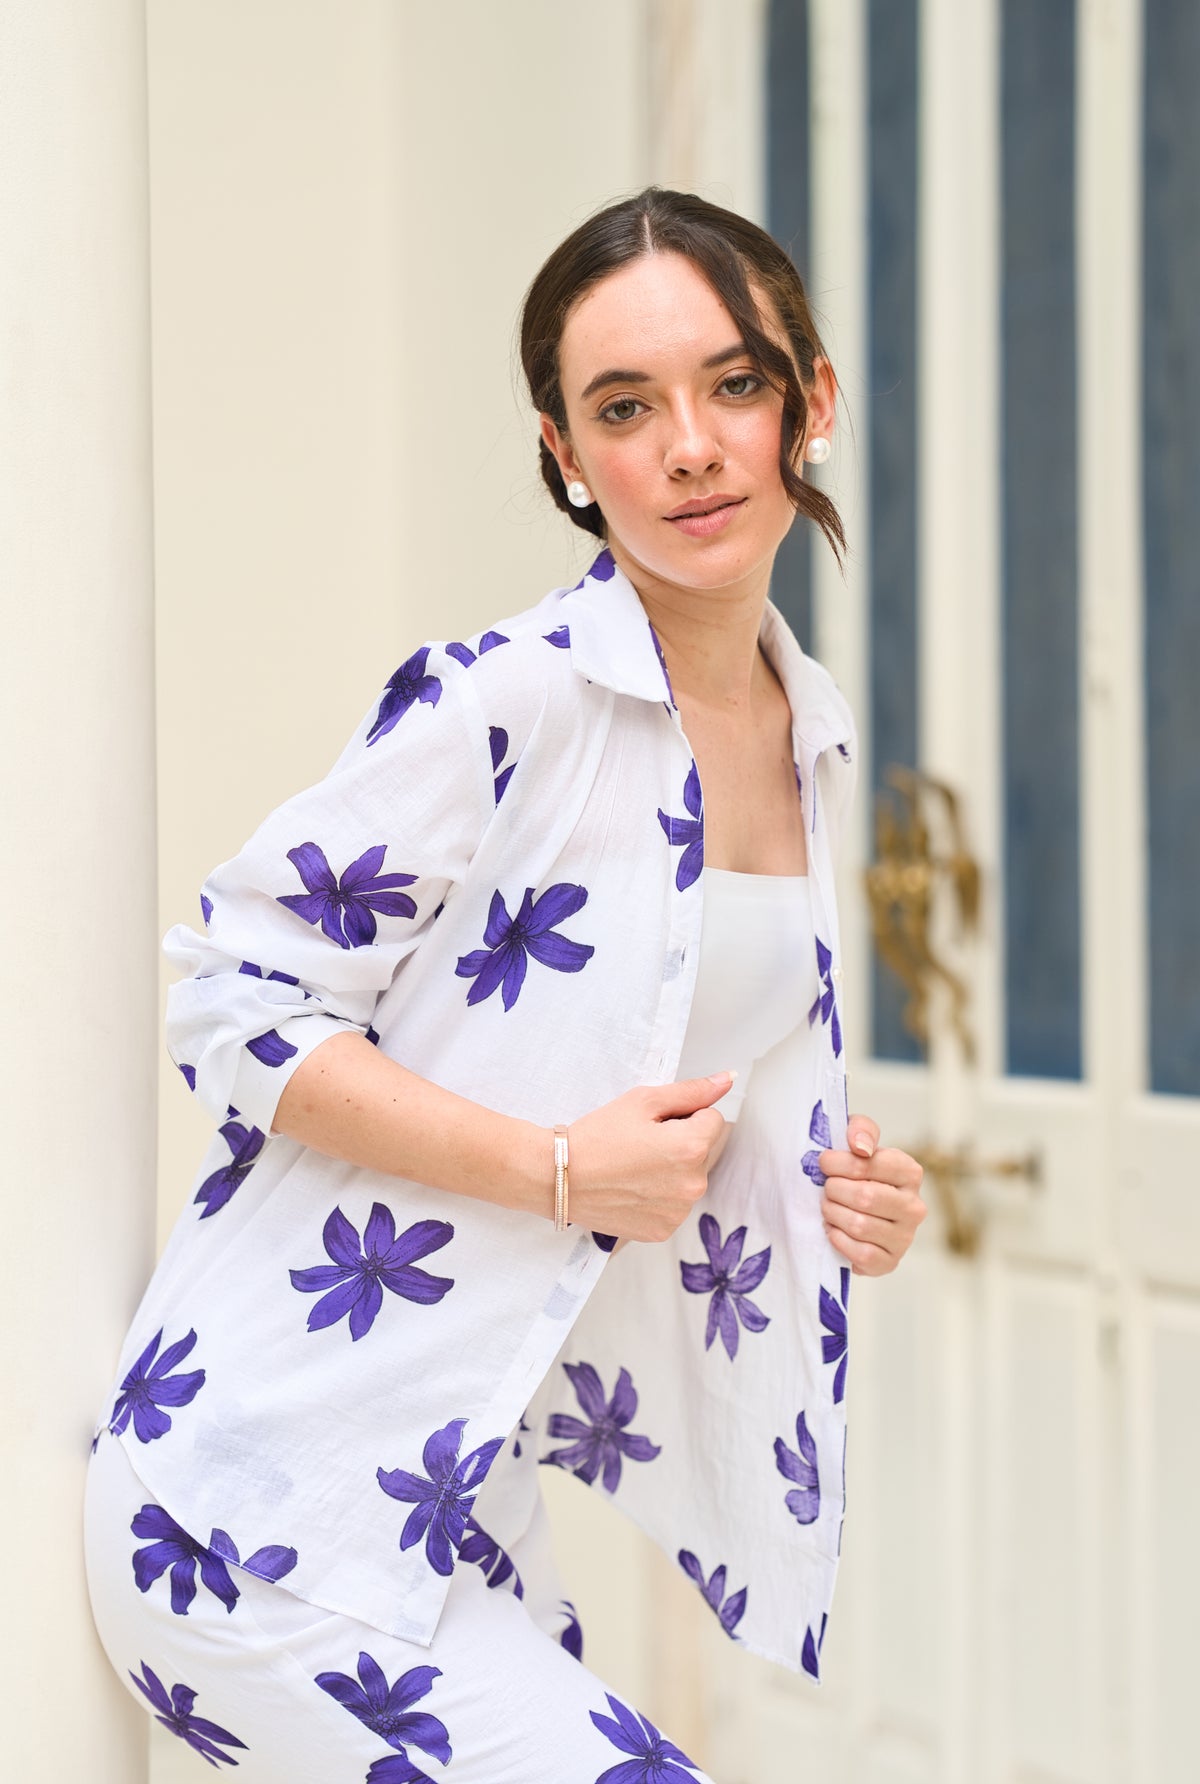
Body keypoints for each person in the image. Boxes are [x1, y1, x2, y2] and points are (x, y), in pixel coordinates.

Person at [84, 187, 926, 1783]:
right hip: (267, 1495)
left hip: (461, 1497)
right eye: (625, 407)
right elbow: (232, 997)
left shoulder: (804, 730)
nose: (688, 445)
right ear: (562, 452)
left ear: (810, 398)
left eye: (733, 383)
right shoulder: (513, 701)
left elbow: (653, 1088)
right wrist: (555, 1171)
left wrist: (839, 1189)